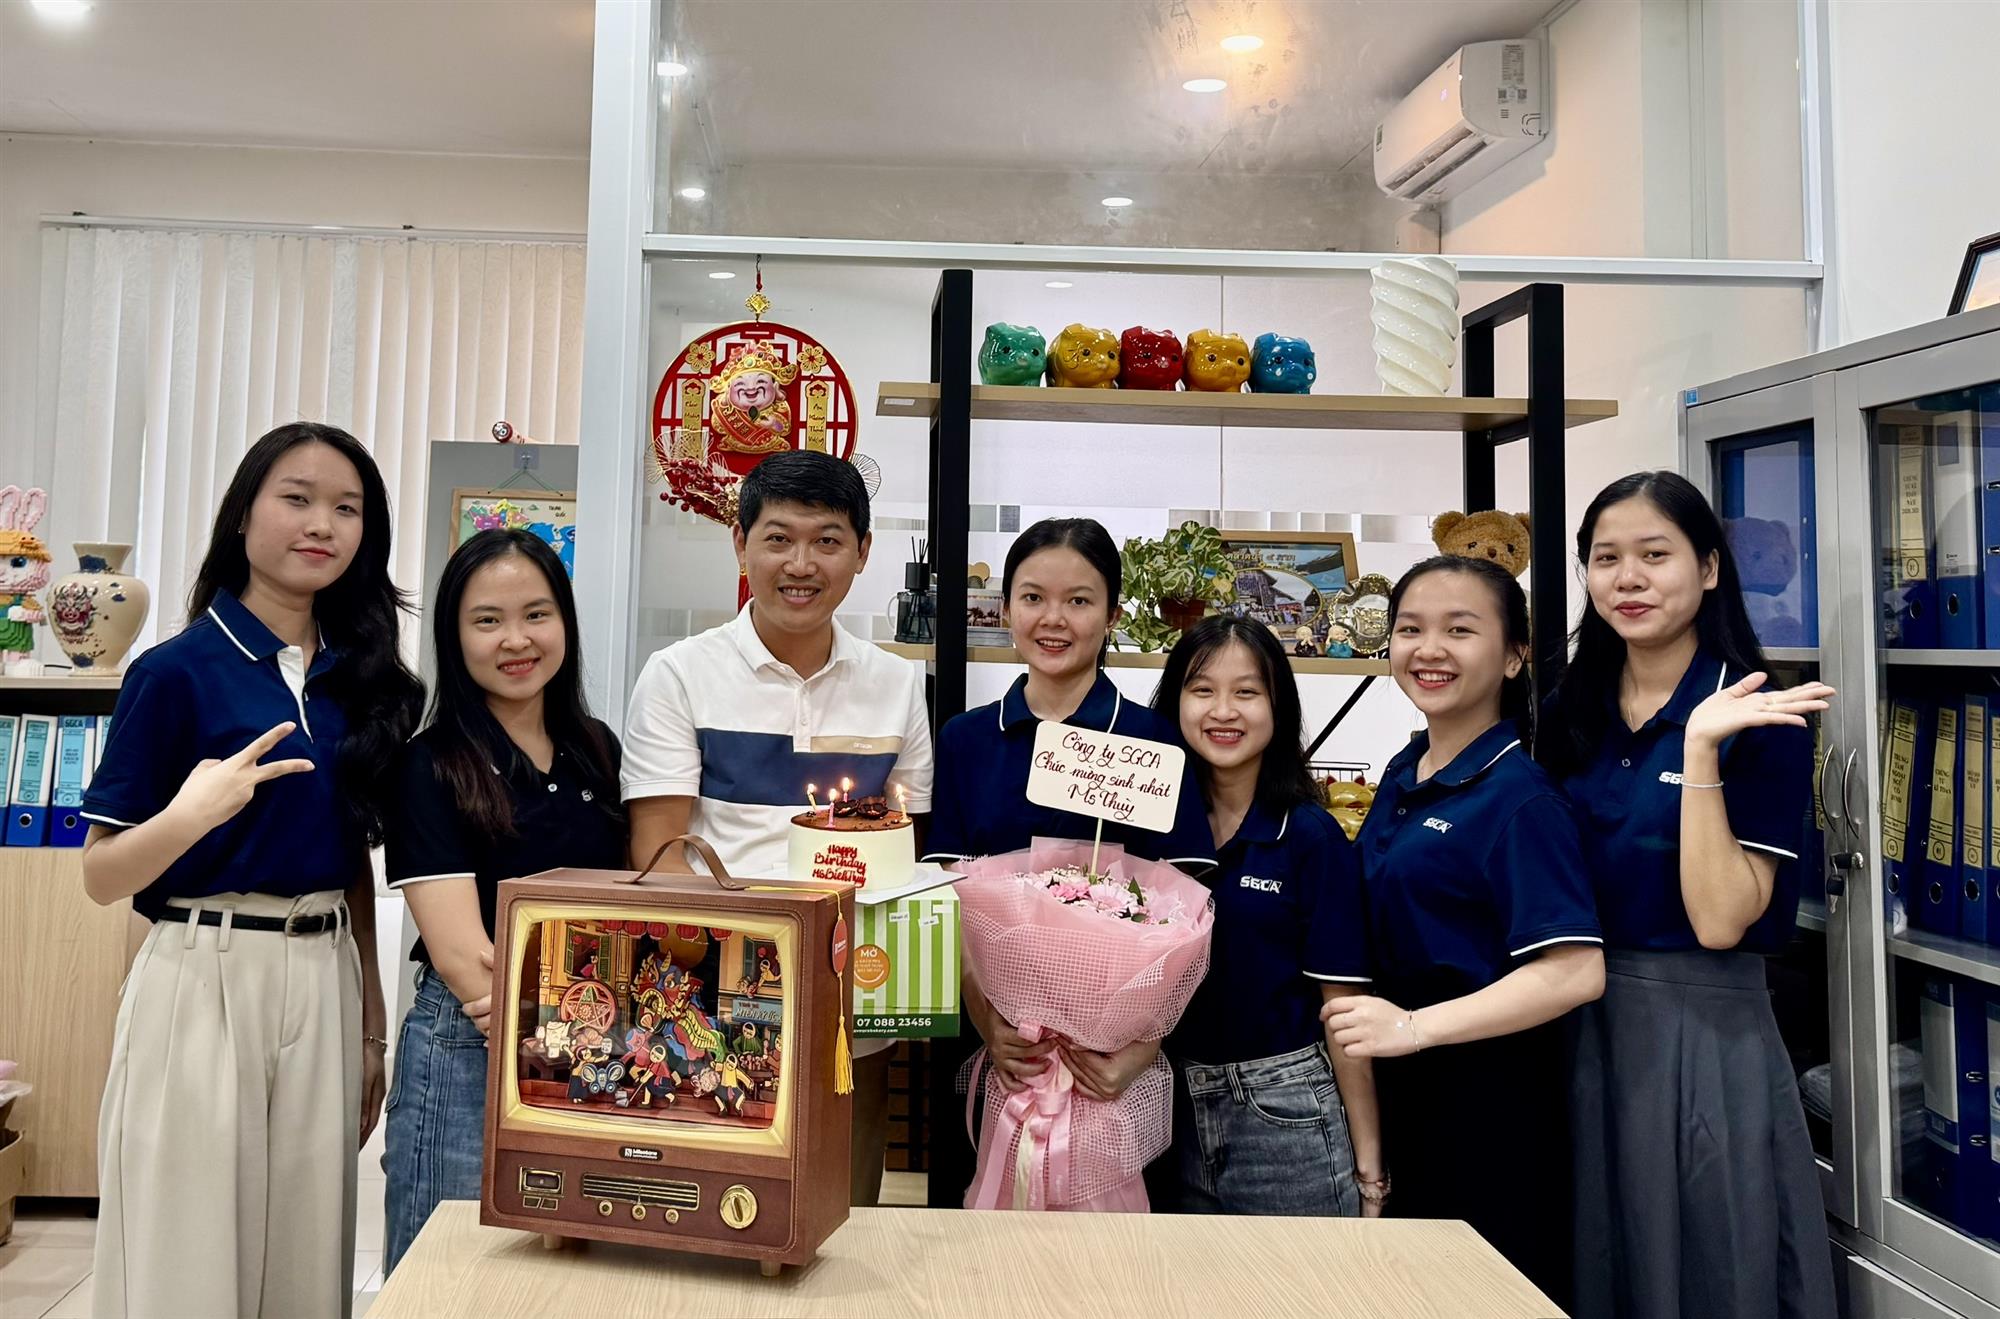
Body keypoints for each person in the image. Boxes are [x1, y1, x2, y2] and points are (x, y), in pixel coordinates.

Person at [79, 422, 423, 1319]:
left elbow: (352, 860)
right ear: (243, 515)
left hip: (326, 970)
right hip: (204, 970)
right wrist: (190, 814)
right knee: (187, 1256)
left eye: (346, 508)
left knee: (307, 1263)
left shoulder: (359, 679)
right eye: (296, 499)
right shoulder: (175, 672)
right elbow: (102, 874)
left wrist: (371, 1029)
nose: (322, 524)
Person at [1538, 471, 1837, 1319]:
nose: (1627, 578)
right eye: (1606, 558)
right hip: (1574, 1019)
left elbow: (1720, 920)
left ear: (1708, 568)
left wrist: (1701, 750)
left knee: (1710, 1264)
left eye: (1654, 554)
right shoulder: (1570, 708)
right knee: (1596, 1256)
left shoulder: (1759, 714)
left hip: (1702, 1034)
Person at [620, 449, 932, 1207]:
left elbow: (902, 853)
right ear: (741, 543)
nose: (801, 564)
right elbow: (660, 859)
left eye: (827, 540)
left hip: (850, 1011)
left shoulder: (897, 685)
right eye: (778, 538)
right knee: (710, 1210)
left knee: (843, 1208)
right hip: (711, 1008)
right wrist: (750, 984)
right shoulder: (679, 674)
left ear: (863, 551)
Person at [1322, 554, 1604, 1302]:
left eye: (1459, 630)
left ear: (1514, 655)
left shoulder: (1521, 799)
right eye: (1410, 628)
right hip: (1402, 1090)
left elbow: (1576, 970)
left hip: (1486, 1103)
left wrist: (1414, 1027)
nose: (1429, 649)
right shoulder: (1405, 768)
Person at [380, 529, 626, 1273]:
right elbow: (463, 956)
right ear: (455, 637)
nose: (516, 640)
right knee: (450, 1269)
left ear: (565, 624)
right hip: (471, 1043)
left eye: (536, 614)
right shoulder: (428, 763)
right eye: (487, 620)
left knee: (561, 1270)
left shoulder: (597, 748)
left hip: (589, 1041)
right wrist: (560, 1021)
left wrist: (590, 1030)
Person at [930, 518, 1217, 1113]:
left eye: (1079, 601)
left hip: (1112, 1063)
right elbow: (945, 895)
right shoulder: (965, 739)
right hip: (1000, 1049)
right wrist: (986, 1019)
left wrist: (1139, 1049)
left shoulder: (1154, 741)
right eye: (1033, 598)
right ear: (1006, 608)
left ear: (1113, 615)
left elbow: (1188, 914)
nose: (1053, 619)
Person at [1152, 616, 1379, 1216]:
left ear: (1279, 706)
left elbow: (1344, 1013)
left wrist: (1370, 1166)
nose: (1223, 711)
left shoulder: (1310, 837)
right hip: (1164, 1110)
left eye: (1247, 692)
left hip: (1284, 1112)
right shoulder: (1155, 830)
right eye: (1203, 690)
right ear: (1175, 702)